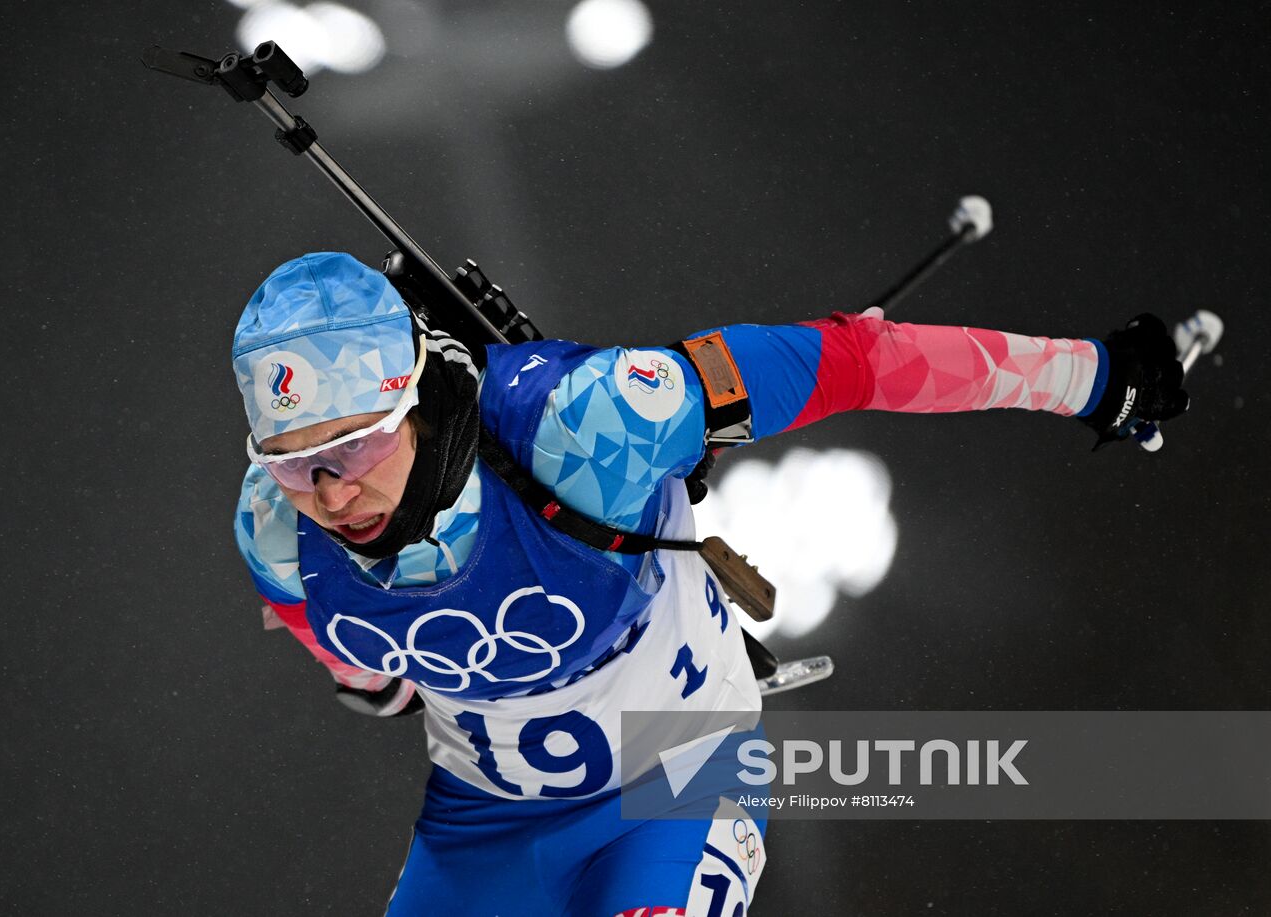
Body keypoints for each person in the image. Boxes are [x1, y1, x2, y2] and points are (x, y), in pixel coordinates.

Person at [232, 251, 1188, 915]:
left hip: (680, 776)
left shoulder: (589, 423)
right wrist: (383, 686)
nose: (332, 488)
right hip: (481, 824)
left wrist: (1093, 378)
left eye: (351, 444)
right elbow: (361, 666)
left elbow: (856, 359)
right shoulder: (276, 533)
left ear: (414, 401)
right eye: (290, 461)